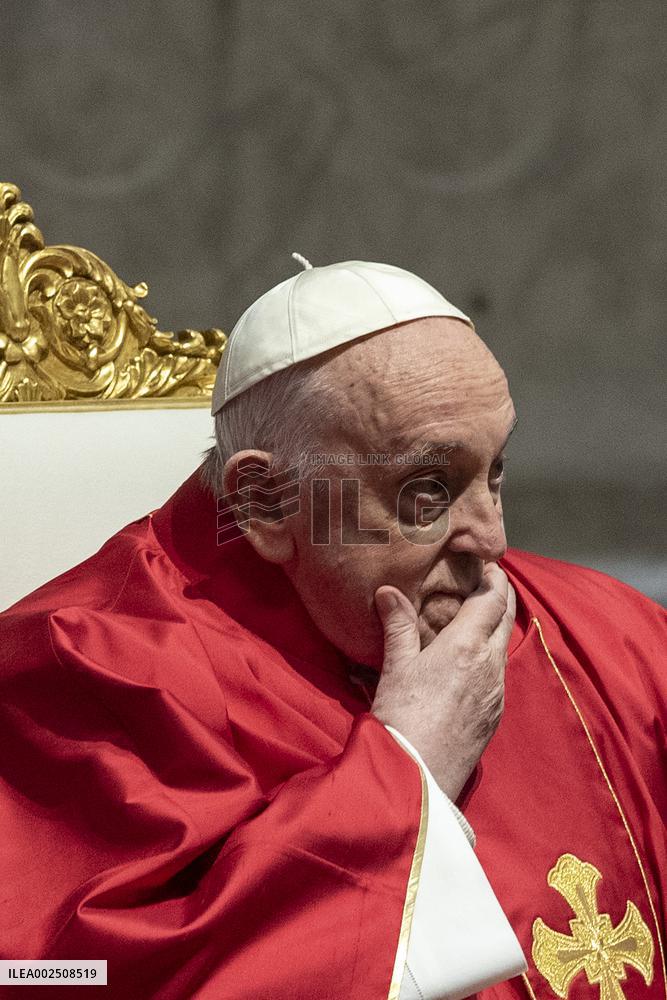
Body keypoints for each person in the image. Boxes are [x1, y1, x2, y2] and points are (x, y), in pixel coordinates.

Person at [0, 259, 664, 1000]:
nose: (493, 540)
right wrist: (405, 775)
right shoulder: (82, 674)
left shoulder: (613, 639)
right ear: (264, 501)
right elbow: (58, 979)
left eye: (495, 470)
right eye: (428, 489)